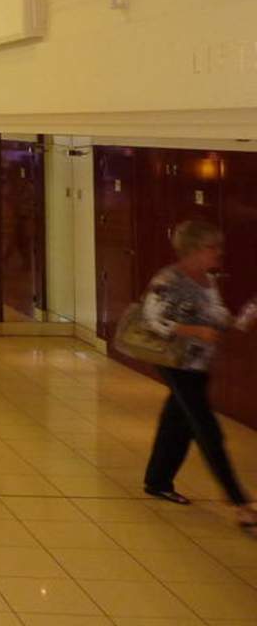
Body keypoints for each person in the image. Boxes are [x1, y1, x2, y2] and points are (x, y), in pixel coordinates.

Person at [140, 219, 257, 533]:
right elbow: (152, 320)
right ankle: (239, 501)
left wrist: (238, 319)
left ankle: (158, 480)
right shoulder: (168, 280)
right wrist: (194, 330)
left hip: (198, 364)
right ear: (192, 249)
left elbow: (216, 315)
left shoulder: (208, 280)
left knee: (176, 421)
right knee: (207, 429)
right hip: (176, 362)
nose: (219, 252)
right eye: (211, 247)